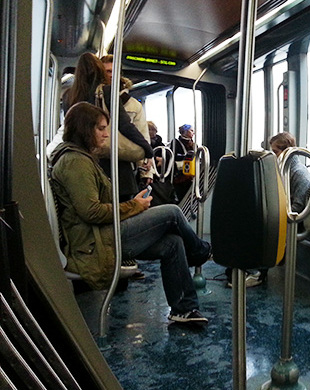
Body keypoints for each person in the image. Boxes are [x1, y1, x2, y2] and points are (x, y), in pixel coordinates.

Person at [50, 102, 211, 324]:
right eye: (101, 128)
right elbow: (92, 212)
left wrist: (132, 205)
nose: (107, 134)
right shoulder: (75, 162)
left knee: (173, 243)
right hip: (95, 242)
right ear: (84, 129)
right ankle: (203, 252)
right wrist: (134, 206)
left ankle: (183, 309)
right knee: (172, 212)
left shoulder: (80, 158)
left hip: (102, 234)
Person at [61, 52, 153, 202]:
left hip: (83, 162)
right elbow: (124, 125)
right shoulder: (107, 92)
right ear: (99, 72)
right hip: (114, 169)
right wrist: (148, 150)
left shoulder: (67, 97)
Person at [225, 132, 310, 288]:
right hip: (279, 214)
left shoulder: (299, 174)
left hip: (292, 220)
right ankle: (240, 267)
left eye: (276, 152)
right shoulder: (280, 168)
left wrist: (270, 215)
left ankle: (257, 273)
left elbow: (298, 208)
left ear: (287, 151)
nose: (273, 155)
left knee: (258, 228)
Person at [101, 54, 154, 188]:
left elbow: (142, 135)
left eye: (114, 71)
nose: (112, 75)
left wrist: (147, 172)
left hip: (124, 161)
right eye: (107, 71)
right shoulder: (95, 98)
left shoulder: (133, 105)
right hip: (98, 159)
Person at [169, 124, 197, 201]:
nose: (193, 133)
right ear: (185, 132)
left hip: (190, 175)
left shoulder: (194, 144)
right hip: (179, 175)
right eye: (191, 130)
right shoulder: (175, 143)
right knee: (181, 195)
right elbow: (173, 157)